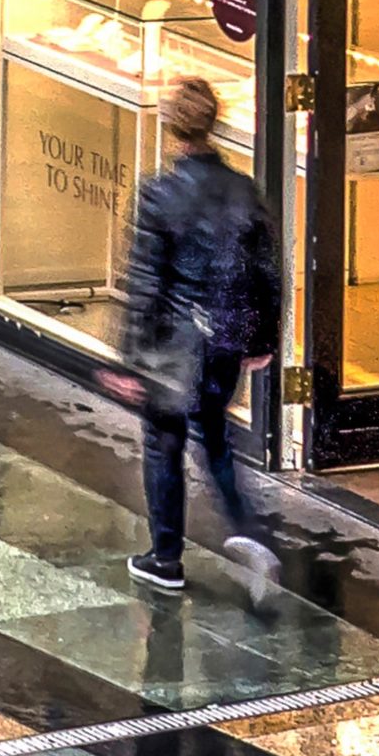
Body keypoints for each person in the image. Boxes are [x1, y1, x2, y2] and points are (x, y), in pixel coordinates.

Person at [120, 75, 277, 597]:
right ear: (213, 124)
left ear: (172, 129)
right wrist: (261, 338)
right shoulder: (244, 190)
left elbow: (146, 282)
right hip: (225, 336)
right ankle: (247, 529)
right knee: (213, 432)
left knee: (163, 441)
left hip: (174, 341)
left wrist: (129, 358)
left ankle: (165, 557)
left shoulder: (160, 194)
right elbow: (266, 271)